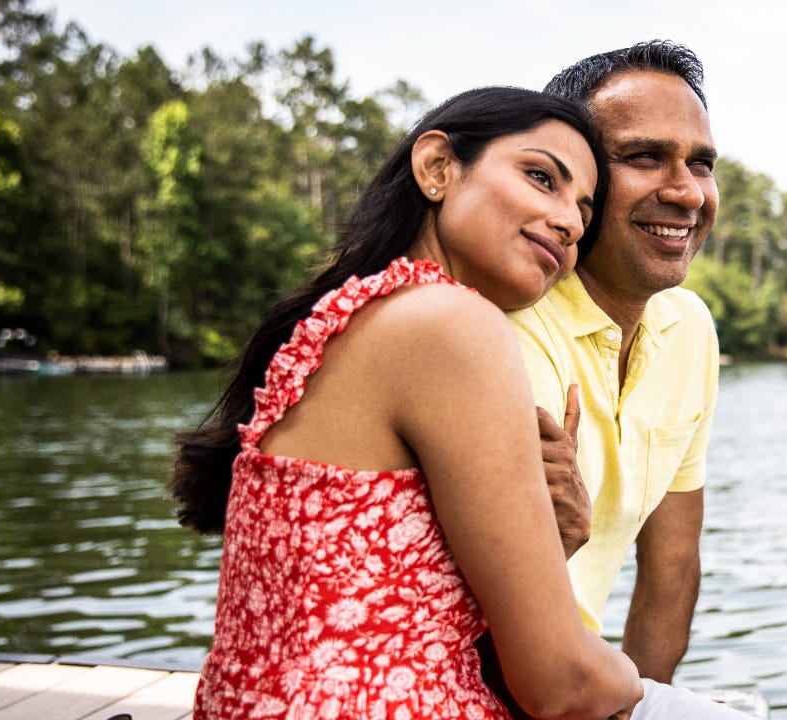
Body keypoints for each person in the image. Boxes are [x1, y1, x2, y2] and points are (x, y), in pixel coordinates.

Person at [170, 86, 644, 719]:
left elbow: (392, 596)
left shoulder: (349, 316)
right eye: (541, 177)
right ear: (438, 168)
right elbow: (560, 682)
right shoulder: (450, 323)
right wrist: (634, 682)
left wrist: (545, 539)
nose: (568, 221)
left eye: (583, 211)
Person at [506, 41, 737, 717]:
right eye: (645, 157)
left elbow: (671, 568)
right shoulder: (513, 325)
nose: (687, 192)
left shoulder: (687, 326)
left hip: (589, 686)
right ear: (571, 175)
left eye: (701, 164)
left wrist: (647, 699)